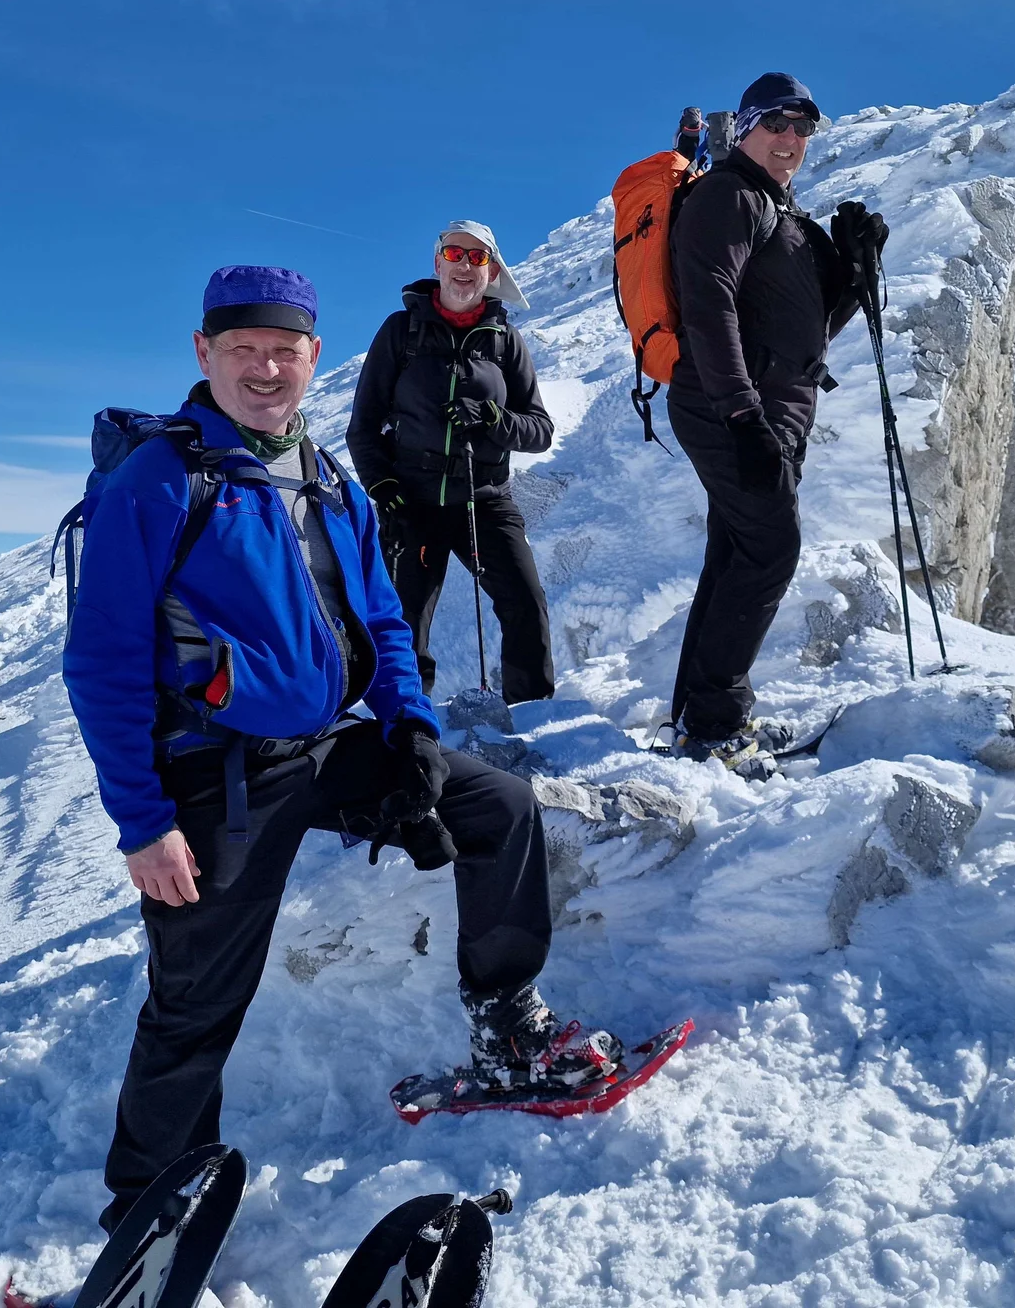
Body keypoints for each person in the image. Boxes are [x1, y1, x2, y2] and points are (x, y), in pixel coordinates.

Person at [62, 265, 614, 1232]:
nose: (265, 368)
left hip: (329, 744)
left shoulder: (328, 479)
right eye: (243, 350)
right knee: (195, 1005)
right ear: (204, 353)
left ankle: (504, 1025)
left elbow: (385, 623)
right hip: (214, 772)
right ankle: (149, 1210)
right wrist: (145, 826)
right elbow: (100, 663)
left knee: (498, 809)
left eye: (285, 350)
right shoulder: (159, 480)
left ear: (315, 357)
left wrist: (410, 728)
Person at [666, 73, 884, 776]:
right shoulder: (727, 195)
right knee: (770, 549)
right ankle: (714, 724)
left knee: (736, 553)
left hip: (769, 409)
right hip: (730, 406)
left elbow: (806, 333)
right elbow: (709, 306)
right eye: (778, 124)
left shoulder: (778, 211)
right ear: (748, 127)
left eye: (804, 128)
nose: (791, 139)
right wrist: (741, 415)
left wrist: (853, 271)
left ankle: (699, 716)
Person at [346, 221, 556, 704]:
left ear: (492, 271)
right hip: (412, 501)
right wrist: (381, 487)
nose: (465, 265)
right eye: (456, 254)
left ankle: (531, 716)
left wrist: (492, 419)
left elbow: (539, 431)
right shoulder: (402, 332)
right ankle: (406, 720)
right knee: (406, 618)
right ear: (437, 262)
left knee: (525, 602)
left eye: (478, 257)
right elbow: (364, 424)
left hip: (485, 499)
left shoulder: (506, 341)